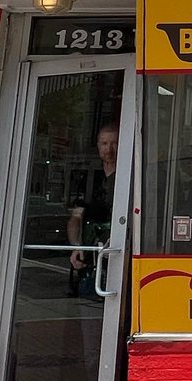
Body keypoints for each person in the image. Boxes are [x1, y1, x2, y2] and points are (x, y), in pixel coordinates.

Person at [68, 120, 119, 296]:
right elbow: (76, 217)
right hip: (91, 257)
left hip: (118, 255)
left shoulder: (131, 178)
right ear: (98, 146)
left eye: (114, 143)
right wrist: (76, 246)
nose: (109, 149)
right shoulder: (90, 179)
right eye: (104, 143)